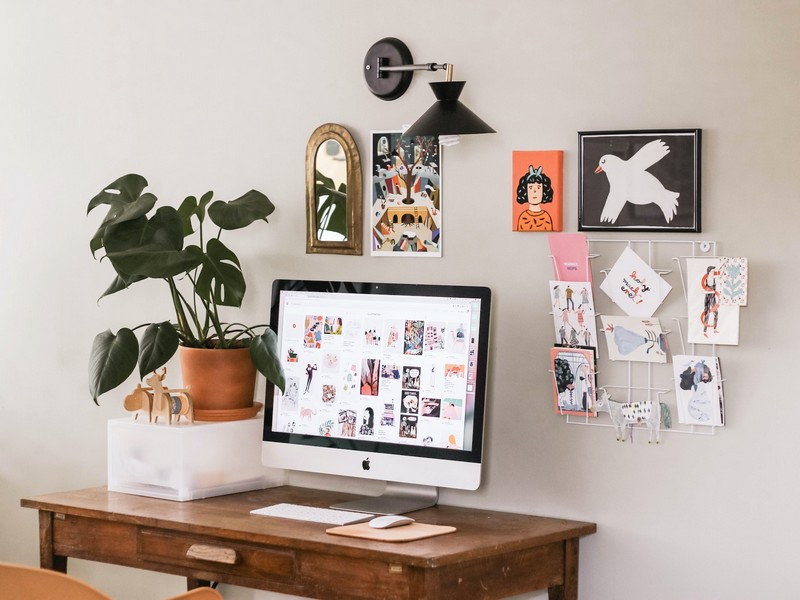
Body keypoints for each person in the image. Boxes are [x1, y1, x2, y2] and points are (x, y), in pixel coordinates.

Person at [515, 165, 555, 231]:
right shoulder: (523, 217)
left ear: (544, 191)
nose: (534, 191)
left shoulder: (546, 217)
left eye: (538, 187)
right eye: (530, 188)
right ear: (525, 191)